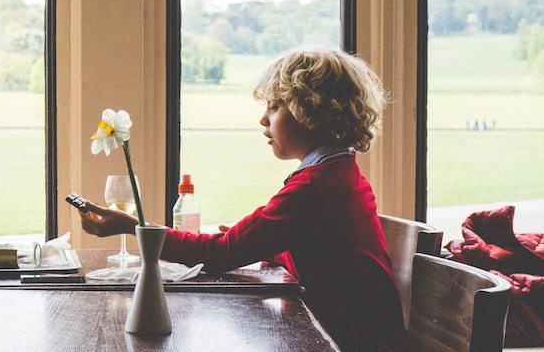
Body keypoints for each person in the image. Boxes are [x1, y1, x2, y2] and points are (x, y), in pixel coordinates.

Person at [79, 47, 408, 351]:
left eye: (274, 106)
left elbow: (218, 254)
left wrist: (133, 227)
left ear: (312, 112)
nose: (264, 119)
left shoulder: (314, 188)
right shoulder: (339, 172)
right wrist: (265, 243)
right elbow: (326, 251)